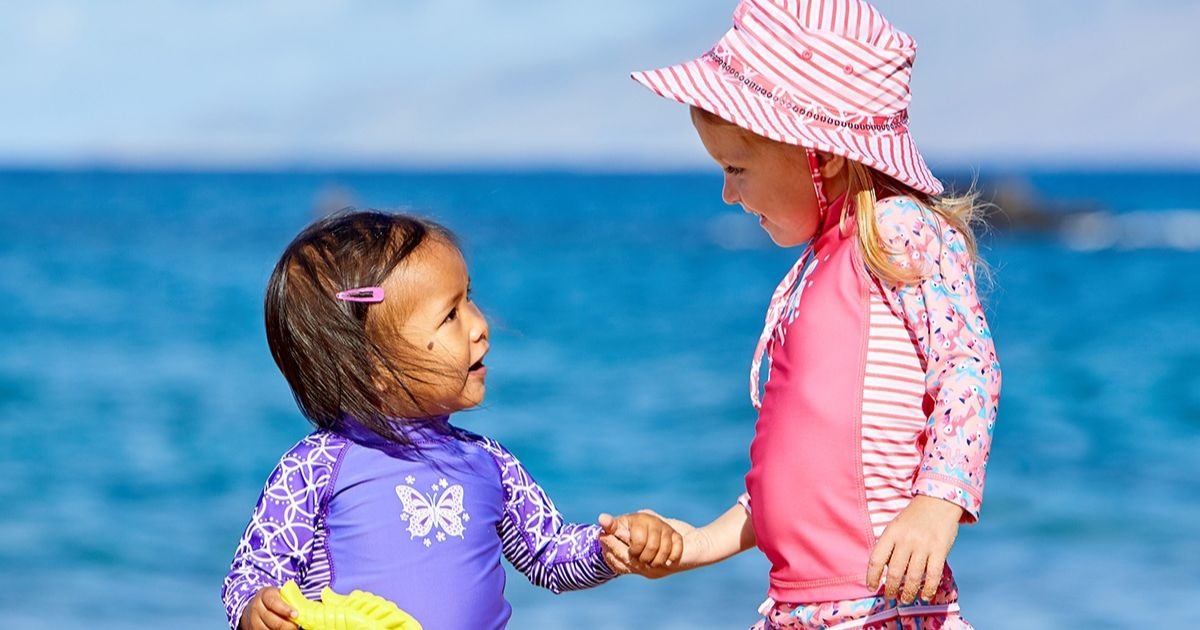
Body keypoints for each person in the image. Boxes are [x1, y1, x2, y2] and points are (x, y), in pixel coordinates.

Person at [621, 0, 1002, 627]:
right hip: (795, 610)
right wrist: (697, 544)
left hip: (881, 605)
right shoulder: (813, 273)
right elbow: (799, 472)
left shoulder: (898, 233)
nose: (727, 193)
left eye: (736, 168)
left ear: (819, 155)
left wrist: (937, 502)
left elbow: (968, 365)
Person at [221, 211, 682, 630]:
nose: (480, 325)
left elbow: (549, 554)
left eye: (469, 300)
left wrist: (609, 547)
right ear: (373, 365)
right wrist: (256, 609)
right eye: (450, 315)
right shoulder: (315, 467)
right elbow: (254, 568)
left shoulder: (489, 462)